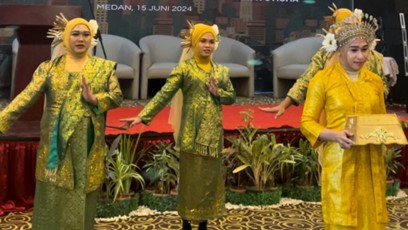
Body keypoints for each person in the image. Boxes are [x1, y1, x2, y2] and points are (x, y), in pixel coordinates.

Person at [0, 15, 123, 229]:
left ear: (91, 38)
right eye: (75, 34)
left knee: (83, 187)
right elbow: (25, 97)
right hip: (55, 139)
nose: (81, 39)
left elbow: (117, 96)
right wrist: (2, 120)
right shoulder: (49, 68)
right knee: (53, 186)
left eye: (86, 34)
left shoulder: (104, 68)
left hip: (87, 139)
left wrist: (95, 99)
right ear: (65, 38)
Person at [120, 22, 236, 230]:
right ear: (193, 43)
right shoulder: (184, 69)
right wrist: (142, 116)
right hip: (191, 135)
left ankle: (203, 222)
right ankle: (185, 222)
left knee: (208, 181)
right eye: (203, 41)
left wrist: (220, 94)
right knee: (190, 180)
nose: (207, 45)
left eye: (211, 41)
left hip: (213, 136)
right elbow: (164, 94)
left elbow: (232, 97)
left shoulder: (221, 71)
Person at [300, 8, 388, 229]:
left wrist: (389, 134)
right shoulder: (323, 80)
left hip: (371, 161)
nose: (360, 56)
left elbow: (380, 119)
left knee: (371, 217)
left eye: (365, 50)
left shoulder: (375, 81)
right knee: (342, 218)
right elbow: (307, 122)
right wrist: (334, 135)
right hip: (340, 160)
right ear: (339, 50)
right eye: (354, 50)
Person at [259, 7, 394, 119]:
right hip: (332, 116)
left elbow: (382, 89)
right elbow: (306, 79)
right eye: (345, 30)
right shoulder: (326, 54)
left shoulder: (373, 57)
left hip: (365, 117)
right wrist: (284, 104)